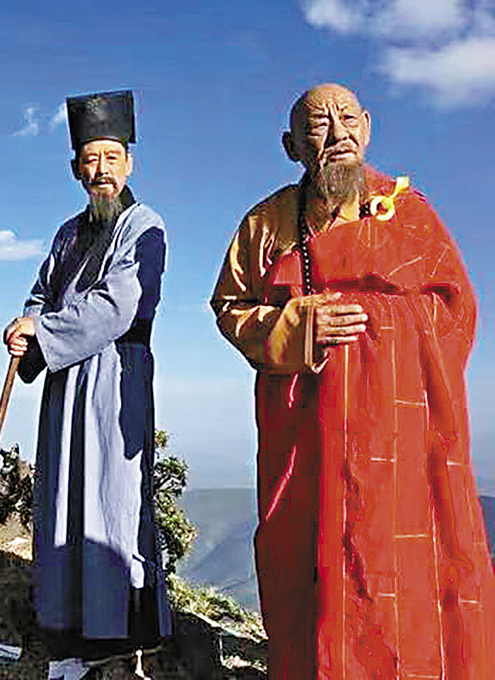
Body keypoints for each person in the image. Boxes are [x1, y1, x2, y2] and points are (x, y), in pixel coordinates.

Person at [211, 82, 495, 678]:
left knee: (395, 565)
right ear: (291, 145)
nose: (337, 133)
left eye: (347, 119)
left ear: (366, 128)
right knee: (300, 555)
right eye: (318, 124)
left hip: (396, 432)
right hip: (303, 425)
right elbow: (231, 306)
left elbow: (456, 307)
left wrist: (383, 331)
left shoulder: (408, 212)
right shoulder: (265, 223)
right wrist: (299, 322)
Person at [3, 89, 171, 661]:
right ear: (76, 169)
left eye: (110, 158)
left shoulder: (145, 227)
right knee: (64, 494)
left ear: (129, 162)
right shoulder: (68, 234)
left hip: (114, 377)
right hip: (64, 380)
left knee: (112, 495)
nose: (100, 171)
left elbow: (118, 307)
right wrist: (25, 323)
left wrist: (44, 336)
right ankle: (66, 622)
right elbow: (40, 291)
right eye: (89, 160)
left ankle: (121, 630)